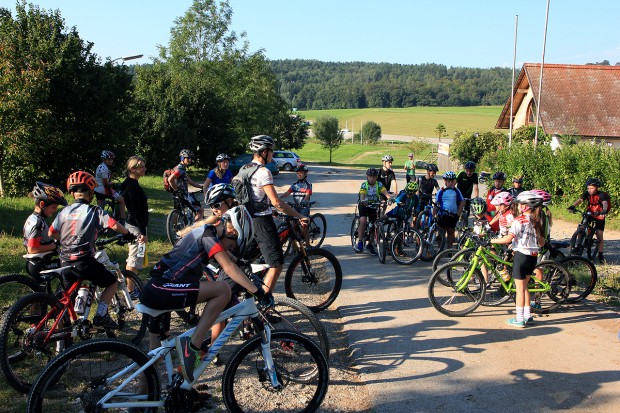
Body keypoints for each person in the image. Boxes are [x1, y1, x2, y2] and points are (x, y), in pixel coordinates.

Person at [140, 207, 268, 383]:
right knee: (223, 289)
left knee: (156, 358)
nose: (233, 248)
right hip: (162, 289)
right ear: (230, 231)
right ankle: (191, 348)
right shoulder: (208, 238)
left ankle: (140, 404)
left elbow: (231, 259)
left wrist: (244, 265)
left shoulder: (209, 233)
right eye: (233, 243)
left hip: (157, 288)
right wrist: (257, 291)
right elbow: (229, 268)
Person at [49, 171, 135, 329]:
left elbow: (51, 233)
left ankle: (63, 332)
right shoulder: (94, 211)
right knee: (111, 281)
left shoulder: (63, 212)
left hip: (65, 262)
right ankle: (101, 314)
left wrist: (67, 240)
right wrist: (128, 234)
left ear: (73, 193)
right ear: (90, 193)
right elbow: (114, 225)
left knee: (67, 301)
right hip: (84, 262)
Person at [243, 135, 308, 293]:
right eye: (271, 151)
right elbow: (276, 202)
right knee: (276, 264)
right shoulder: (263, 172)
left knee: (245, 261)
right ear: (264, 152)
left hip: (246, 220)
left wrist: (270, 210)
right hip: (262, 223)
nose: (273, 154)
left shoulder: (245, 169)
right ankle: (264, 306)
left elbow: (252, 197)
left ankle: (246, 296)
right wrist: (299, 216)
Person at [491, 191, 546, 328]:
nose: (519, 206)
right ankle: (528, 316)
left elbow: (508, 238)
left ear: (526, 206)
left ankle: (519, 319)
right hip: (532, 257)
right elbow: (542, 243)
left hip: (521, 256)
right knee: (525, 286)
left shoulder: (519, 220)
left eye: (521, 204)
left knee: (519, 289)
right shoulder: (537, 220)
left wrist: (491, 241)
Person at [23, 182, 67, 282]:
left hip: (36, 262)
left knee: (42, 295)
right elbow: (32, 249)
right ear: (42, 204)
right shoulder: (37, 223)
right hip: (39, 264)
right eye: (53, 207)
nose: (55, 210)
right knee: (71, 266)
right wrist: (54, 247)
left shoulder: (33, 218)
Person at [119, 156, 149, 300]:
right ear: (133, 169)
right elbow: (136, 211)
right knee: (134, 258)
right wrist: (143, 232)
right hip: (136, 226)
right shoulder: (132, 187)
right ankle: (130, 291)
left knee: (138, 257)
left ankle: (132, 286)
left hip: (134, 225)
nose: (144, 169)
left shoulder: (129, 183)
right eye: (141, 166)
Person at [568, 178, 610, 263]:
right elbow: (580, 200)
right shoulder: (587, 194)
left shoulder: (602, 195)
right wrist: (573, 206)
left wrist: (604, 210)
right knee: (581, 228)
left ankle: (600, 255)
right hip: (589, 213)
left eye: (591, 188)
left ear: (597, 188)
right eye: (588, 188)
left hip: (599, 215)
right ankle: (579, 246)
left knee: (599, 235)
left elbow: (605, 203)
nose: (589, 190)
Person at [355, 167, 394, 254]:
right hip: (364, 205)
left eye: (374, 177)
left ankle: (370, 244)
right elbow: (362, 194)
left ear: (376, 177)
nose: (372, 178)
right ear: (367, 176)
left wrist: (389, 198)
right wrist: (363, 200)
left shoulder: (379, 184)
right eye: (370, 176)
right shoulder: (364, 185)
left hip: (374, 206)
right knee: (363, 220)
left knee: (374, 224)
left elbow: (385, 192)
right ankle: (360, 242)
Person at [168, 149, 204, 221]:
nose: (190, 160)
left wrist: (201, 187)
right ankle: (195, 228)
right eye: (188, 158)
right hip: (183, 195)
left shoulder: (179, 168)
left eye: (191, 158)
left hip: (177, 194)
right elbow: (170, 179)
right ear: (182, 158)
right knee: (200, 210)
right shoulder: (180, 169)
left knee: (177, 211)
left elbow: (189, 181)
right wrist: (177, 189)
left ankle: (175, 230)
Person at [94, 150, 126, 224]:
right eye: (109, 159)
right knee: (121, 201)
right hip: (104, 189)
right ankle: (122, 220)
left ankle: (98, 223)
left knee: (100, 208)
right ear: (104, 159)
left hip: (97, 189)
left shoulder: (100, 166)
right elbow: (106, 183)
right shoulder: (104, 169)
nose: (111, 161)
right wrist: (112, 183)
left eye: (112, 159)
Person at [434, 171, 465, 248]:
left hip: (453, 215)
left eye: (452, 181)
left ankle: (449, 249)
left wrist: (458, 214)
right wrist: (433, 215)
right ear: (445, 181)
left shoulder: (456, 190)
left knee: (451, 233)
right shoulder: (441, 191)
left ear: (454, 181)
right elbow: (436, 204)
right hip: (443, 215)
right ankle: (440, 249)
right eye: (448, 181)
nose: (450, 183)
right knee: (441, 233)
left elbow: (462, 201)